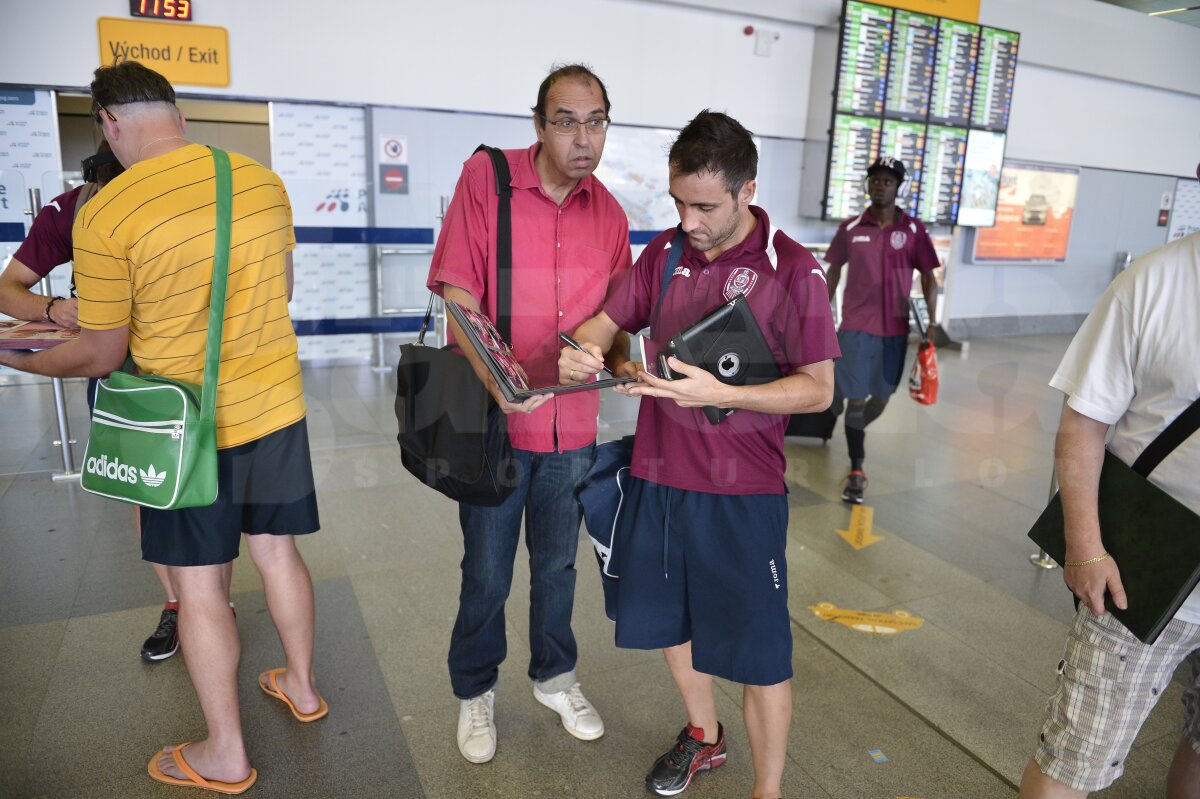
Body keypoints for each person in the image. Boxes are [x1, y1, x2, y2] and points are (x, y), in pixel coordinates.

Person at [0, 60, 323, 794]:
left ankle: (225, 753)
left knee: (203, 585)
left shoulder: (107, 212)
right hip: (275, 405)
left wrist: (17, 357)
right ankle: (302, 687)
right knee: (278, 553)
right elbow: (284, 290)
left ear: (110, 125)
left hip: (183, 427)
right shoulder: (262, 181)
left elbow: (103, 350)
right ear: (175, 110)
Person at [560, 110, 838, 799]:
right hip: (658, 477)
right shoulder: (666, 254)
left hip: (742, 493)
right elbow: (605, 325)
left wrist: (728, 393)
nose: (689, 219)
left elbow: (818, 391)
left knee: (762, 657)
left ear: (747, 190)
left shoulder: (793, 270)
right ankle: (704, 735)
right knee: (671, 625)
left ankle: (766, 789)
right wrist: (586, 351)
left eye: (705, 206)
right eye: (679, 202)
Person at [425, 63, 633, 764]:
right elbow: (459, 294)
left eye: (596, 120)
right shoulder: (486, 180)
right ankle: (475, 688)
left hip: (571, 429)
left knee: (557, 566)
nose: (583, 137)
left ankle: (555, 675)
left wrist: (625, 363)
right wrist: (505, 384)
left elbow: (617, 316)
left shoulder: (610, 214)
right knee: (485, 568)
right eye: (567, 120)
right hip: (494, 428)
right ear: (539, 124)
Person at [1018, 228, 1200, 799]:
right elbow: (1083, 423)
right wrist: (1085, 548)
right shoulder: (1154, 282)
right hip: (1144, 570)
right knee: (1075, 760)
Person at [0, 141, 188, 664]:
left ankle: (207, 599)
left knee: (208, 486)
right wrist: (54, 307)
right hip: (118, 375)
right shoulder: (71, 208)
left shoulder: (184, 201)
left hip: (191, 367)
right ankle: (177, 603)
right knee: (146, 487)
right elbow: (8, 287)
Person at [823, 157, 939, 504]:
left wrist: (932, 323)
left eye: (887, 181)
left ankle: (839, 407)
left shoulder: (914, 230)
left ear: (897, 186)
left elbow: (929, 277)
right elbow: (833, 271)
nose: (880, 186)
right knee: (857, 399)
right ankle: (857, 468)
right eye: (875, 180)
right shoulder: (851, 228)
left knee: (882, 398)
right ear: (868, 184)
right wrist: (820, 317)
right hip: (856, 328)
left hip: (895, 331)